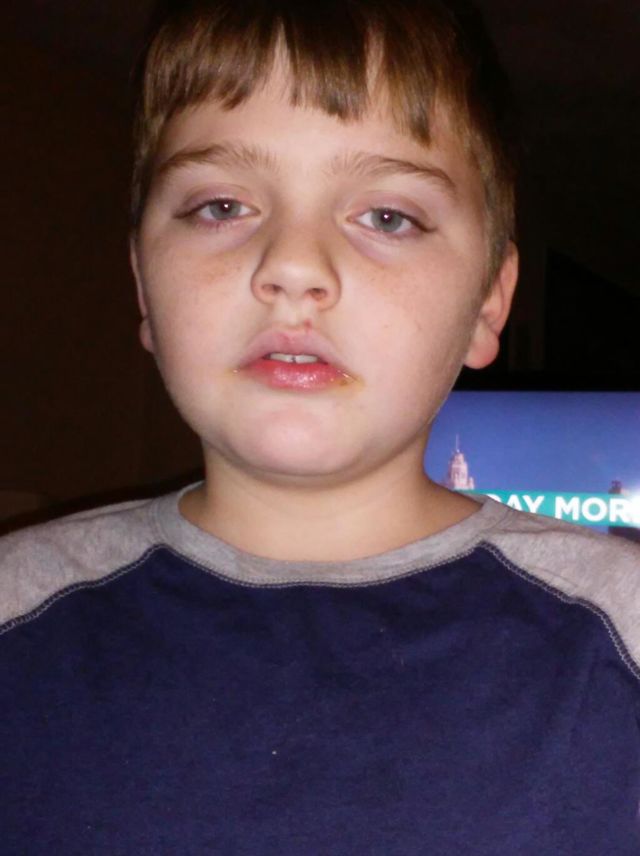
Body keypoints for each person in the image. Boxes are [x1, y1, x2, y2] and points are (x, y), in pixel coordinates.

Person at [1, 1, 639, 853]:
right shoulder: (16, 615)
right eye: (221, 206)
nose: (293, 267)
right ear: (144, 285)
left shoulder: (621, 632)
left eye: (387, 217)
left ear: (489, 302)